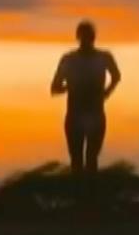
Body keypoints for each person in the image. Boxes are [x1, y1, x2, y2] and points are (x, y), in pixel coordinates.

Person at [49, 21, 121, 176]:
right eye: (85, 36)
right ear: (78, 37)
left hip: (94, 113)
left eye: (90, 36)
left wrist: (106, 92)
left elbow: (116, 76)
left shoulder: (104, 57)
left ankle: (89, 195)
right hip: (76, 113)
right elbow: (55, 87)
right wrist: (72, 87)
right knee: (78, 160)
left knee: (91, 159)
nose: (88, 39)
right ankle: (81, 194)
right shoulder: (69, 59)